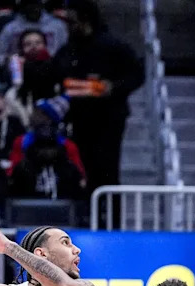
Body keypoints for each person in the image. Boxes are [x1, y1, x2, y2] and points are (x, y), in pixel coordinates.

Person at [54, 0, 145, 190]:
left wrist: (113, 87)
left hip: (108, 118)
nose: (68, 27)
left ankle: (112, 218)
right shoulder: (69, 49)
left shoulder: (113, 46)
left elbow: (137, 74)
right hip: (79, 117)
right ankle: (87, 214)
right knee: (83, 169)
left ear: (85, 20)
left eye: (72, 22)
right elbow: (55, 72)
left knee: (107, 169)